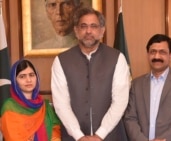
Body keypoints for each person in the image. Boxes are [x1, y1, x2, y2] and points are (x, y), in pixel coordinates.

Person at [51, 7, 130, 141]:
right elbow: (61, 105)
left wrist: (100, 135)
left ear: (102, 31)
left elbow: (120, 102)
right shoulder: (61, 61)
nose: (88, 31)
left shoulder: (117, 58)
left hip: (111, 136)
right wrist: (79, 136)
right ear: (76, 31)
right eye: (84, 26)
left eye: (94, 26)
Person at [123, 34, 171, 141]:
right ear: (148, 54)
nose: (157, 56)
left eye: (162, 52)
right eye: (153, 52)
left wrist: (164, 139)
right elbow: (130, 118)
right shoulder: (136, 84)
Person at [0, 59, 61, 141]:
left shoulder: (45, 106)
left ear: (37, 77)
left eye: (31, 75)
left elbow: (55, 132)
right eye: (22, 76)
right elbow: (12, 137)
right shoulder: (10, 107)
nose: (28, 80)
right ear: (15, 81)